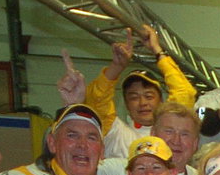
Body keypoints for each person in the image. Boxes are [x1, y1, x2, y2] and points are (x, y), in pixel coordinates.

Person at [84, 26, 196, 161]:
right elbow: (97, 99)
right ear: (126, 104)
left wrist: (157, 50)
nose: (143, 103)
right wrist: (117, 67)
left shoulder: (169, 137)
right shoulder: (116, 133)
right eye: (134, 97)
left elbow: (185, 92)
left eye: (149, 96)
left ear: (161, 101)